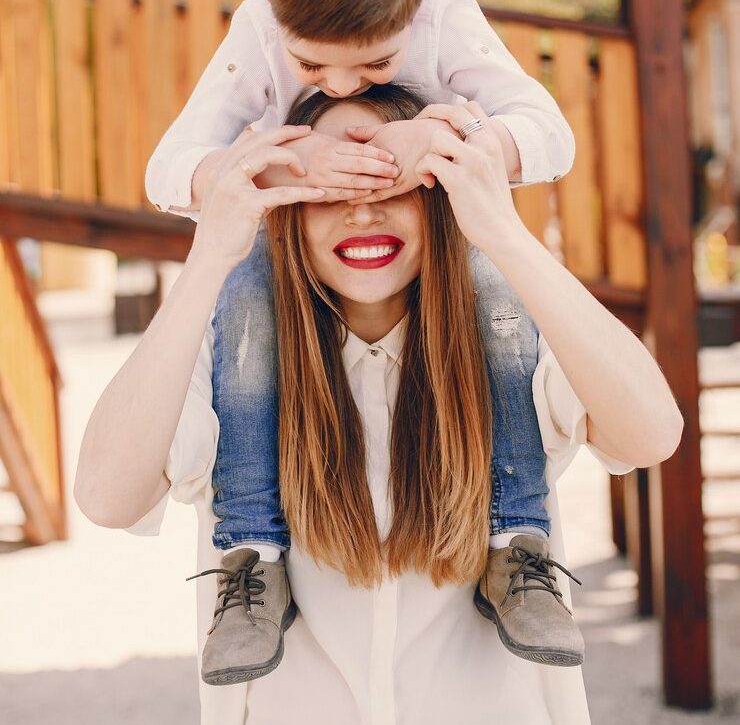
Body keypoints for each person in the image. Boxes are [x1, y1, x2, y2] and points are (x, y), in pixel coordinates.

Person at [75, 85, 683, 725]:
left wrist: (502, 231)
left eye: (390, 184)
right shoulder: (237, 368)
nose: (362, 214)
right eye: (329, 190)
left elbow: (652, 435)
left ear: (436, 199)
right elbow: (107, 496)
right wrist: (210, 258)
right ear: (288, 210)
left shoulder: (507, 347)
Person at [142, 0, 579, 678]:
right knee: (243, 297)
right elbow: (168, 168)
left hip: (437, 245)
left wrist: (467, 139)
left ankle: (516, 539)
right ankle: (250, 552)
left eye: (374, 63)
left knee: (498, 283)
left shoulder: (448, 16)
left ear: (414, 9)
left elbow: (549, 132)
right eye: (313, 67)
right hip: (298, 247)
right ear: (276, 5)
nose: (342, 85)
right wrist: (272, 155)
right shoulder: (258, 24)